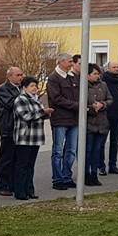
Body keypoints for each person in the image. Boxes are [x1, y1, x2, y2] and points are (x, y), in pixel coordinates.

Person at [11, 76, 51, 201]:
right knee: (22, 165)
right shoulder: (20, 99)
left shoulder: (36, 99)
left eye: (36, 86)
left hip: (35, 137)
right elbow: (25, 116)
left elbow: (40, 115)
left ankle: (29, 189)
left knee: (30, 165)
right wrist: (42, 112)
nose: (35, 88)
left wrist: (46, 113)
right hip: (24, 137)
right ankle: (20, 191)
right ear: (24, 87)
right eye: (32, 86)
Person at [46, 55, 81, 191]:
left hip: (73, 119)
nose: (72, 64)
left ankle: (67, 176)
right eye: (69, 61)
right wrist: (75, 105)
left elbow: (78, 95)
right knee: (58, 151)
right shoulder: (53, 78)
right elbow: (56, 99)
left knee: (71, 150)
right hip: (60, 119)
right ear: (61, 62)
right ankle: (58, 179)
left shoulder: (72, 77)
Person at [0, 67, 25, 196]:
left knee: (17, 158)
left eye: (21, 75)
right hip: (8, 127)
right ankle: (3, 185)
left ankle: (13, 184)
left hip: (20, 127)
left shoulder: (21, 88)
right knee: (6, 158)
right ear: (9, 76)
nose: (21, 77)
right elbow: (11, 104)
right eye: (18, 75)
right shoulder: (3, 89)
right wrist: (25, 96)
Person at [83, 63, 113, 186]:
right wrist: (91, 107)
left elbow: (110, 99)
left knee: (97, 151)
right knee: (88, 151)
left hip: (101, 123)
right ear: (88, 75)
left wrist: (102, 104)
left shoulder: (103, 85)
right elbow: (79, 103)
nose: (97, 76)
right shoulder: (83, 86)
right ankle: (86, 175)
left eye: (98, 73)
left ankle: (94, 174)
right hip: (89, 124)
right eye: (94, 74)